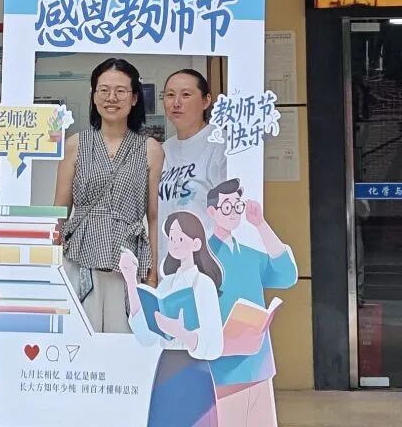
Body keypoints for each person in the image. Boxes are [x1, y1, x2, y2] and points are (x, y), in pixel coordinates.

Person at [55, 57, 164, 333]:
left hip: (129, 263)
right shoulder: (76, 144)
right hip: (79, 259)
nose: (111, 97)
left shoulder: (150, 149)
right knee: (79, 339)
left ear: (135, 98)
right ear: (93, 96)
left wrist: (153, 273)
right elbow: (59, 212)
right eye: (103, 90)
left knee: (127, 342)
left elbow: (153, 216)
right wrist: (51, 265)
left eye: (120, 91)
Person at [206, 178, 297, 427]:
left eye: (237, 206)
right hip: (223, 366)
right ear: (211, 212)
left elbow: (288, 275)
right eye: (226, 206)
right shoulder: (202, 257)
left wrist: (260, 224)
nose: (233, 213)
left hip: (258, 363)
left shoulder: (250, 255)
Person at [119, 212, 224, 427]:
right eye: (172, 238)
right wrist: (130, 280)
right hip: (166, 367)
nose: (175, 243)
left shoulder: (204, 284)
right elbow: (146, 336)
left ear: (196, 243)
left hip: (196, 370)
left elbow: (215, 345)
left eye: (181, 238)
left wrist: (181, 333)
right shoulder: (166, 285)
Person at [159, 69, 227, 263]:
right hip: (169, 263)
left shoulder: (221, 145)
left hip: (207, 263)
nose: (176, 103)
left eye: (186, 95)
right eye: (170, 95)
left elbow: (231, 214)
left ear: (206, 101)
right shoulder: (164, 150)